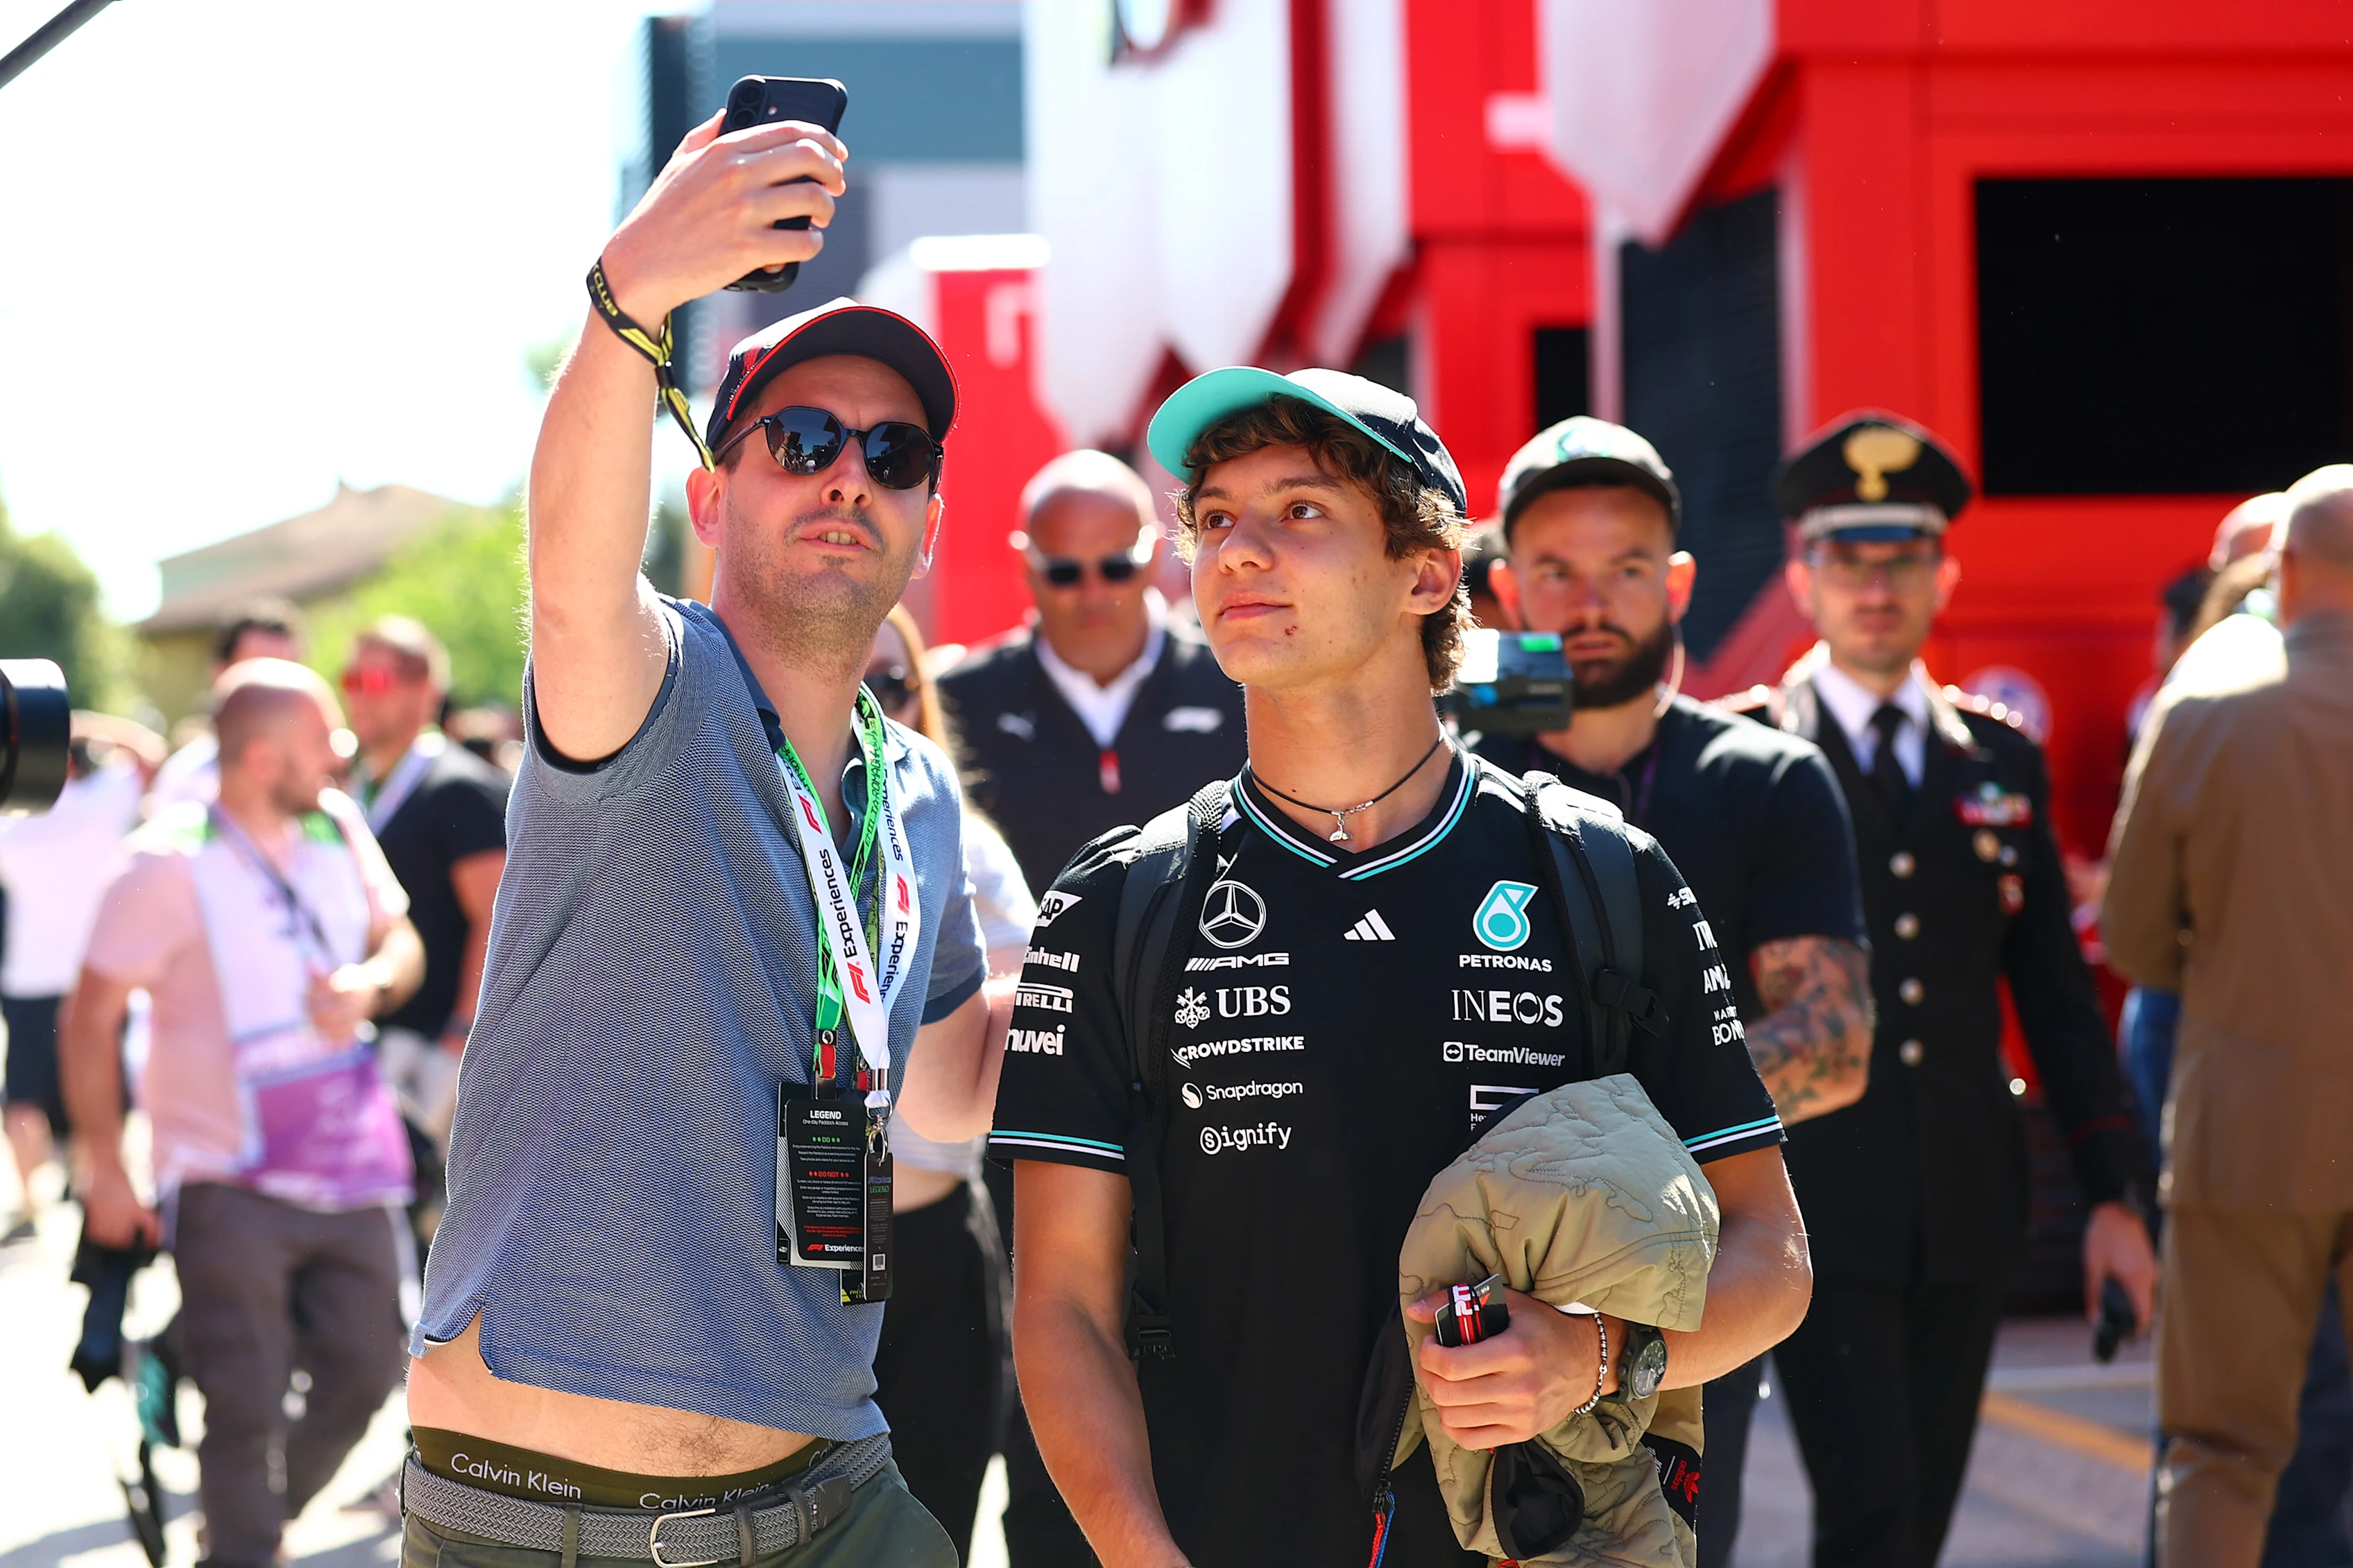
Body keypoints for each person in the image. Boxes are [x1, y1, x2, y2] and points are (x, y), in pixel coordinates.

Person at [992, 367, 1812, 1567]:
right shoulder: (1119, 903)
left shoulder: (1604, 878)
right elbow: (1060, 1307)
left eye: (1299, 512)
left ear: (1425, 574)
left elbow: (1771, 1255)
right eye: (1214, 516)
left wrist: (1589, 1355)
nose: (1235, 551)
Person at [398, 103, 1011, 1568]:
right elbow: (568, 564)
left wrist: (1155, 929)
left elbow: (953, 1078)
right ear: (713, 491)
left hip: (833, 1491)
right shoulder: (646, 679)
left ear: (930, 521)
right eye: (801, 440)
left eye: (893, 449)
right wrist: (633, 293)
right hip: (549, 1517)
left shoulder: (917, 785)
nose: (848, 472)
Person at [1729, 411, 2158, 1568]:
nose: (1877, 589)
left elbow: (2058, 999)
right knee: (1868, 1508)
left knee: (1915, 1522)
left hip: (1969, 1197)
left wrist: (2115, 1193)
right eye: (1848, 561)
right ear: (1801, 577)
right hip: (1815, 1200)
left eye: (1902, 561)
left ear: (1941, 573)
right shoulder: (1745, 757)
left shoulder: (1995, 760)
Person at [1478, 415, 1872, 1568]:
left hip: (1685, 1296)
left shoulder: (1768, 778)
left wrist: (1608, 1142)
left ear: (1681, 581)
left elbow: (1833, 1039)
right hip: (1474, 1270)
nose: (1590, 601)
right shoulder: (1445, 781)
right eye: (1554, 570)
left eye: (1627, 568)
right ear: (1504, 586)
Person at [63, 660, 425, 1568]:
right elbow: (89, 1015)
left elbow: (401, 939)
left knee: (370, 1368)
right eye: (321, 740)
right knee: (245, 1398)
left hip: (352, 1164)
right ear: (262, 758)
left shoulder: (337, 824)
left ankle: (249, 1526)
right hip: (226, 1177)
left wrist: (372, 984)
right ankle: (241, 1546)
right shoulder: (165, 860)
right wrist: (105, 1169)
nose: (342, 753)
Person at [2103, 465, 2353, 1568]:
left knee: (2221, 1451)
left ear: (2286, 571)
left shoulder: (2206, 711)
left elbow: (2138, 942)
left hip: (2249, 1136)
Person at [864, 603, 1033, 1558]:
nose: (869, 710)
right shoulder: (731, 824)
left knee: (927, 1537)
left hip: (925, 1248)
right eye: (847, 682)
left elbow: (1020, 1018)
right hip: (762, 1264)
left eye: (889, 686)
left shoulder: (956, 836)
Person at [938, 449, 1246, 895]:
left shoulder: (1237, 683)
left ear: (1156, 553)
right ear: (1026, 565)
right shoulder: (958, 701)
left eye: (1116, 567)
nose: (1093, 592)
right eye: (1065, 573)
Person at [339, 617, 508, 1214]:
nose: (357, 691)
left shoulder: (457, 786)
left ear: (424, 689)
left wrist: (459, 1041)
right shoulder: (358, 788)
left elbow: (497, 920)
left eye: (375, 677)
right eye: (350, 677)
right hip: (371, 1038)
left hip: (432, 1047)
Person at [0, 713, 163, 1241]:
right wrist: (75, 721)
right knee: (101, 1089)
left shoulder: (12, 824)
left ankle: (32, 1205)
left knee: (23, 1095)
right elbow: (150, 757)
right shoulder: (103, 803)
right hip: (97, 974)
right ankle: (97, 1186)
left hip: (28, 977)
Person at [149, 599, 306, 810]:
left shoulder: (320, 778)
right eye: (256, 671)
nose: (275, 690)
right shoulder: (185, 782)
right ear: (219, 674)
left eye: (287, 672)